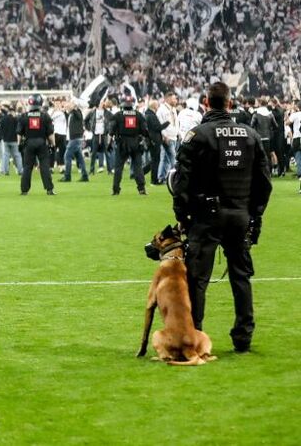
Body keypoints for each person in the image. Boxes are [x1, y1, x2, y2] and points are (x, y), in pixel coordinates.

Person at [170, 81, 272, 353]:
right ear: (230, 103)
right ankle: (243, 337)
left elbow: (181, 182)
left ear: (206, 103)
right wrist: (255, 217)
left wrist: (183, 215)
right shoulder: (249, 135)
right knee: (241, 276)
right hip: (240, 214)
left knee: (197, 279)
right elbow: (264, 182)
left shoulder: (198, 135)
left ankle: (194, 337)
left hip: (206, 216)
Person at [109, 94, 149, 196]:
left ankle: (115, 189)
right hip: (136, 143)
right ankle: (141, 189)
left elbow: (111, 131)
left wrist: (110, 142)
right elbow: (145, 131)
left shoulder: (117, 115)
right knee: (138, 167)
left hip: (122, 143)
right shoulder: (139, 115)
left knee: (118, 168)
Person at [17, 93, 55, 196]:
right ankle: (49, 189)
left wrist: (19, 144)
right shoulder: (45, 116)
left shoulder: (24, 116)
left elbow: (19, 133)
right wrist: (53, 144)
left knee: (27, 167)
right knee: (44, 166)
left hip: (29, 143)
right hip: (42, 143)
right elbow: (50, 133)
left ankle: (24, 190)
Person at [60, 99, 88, 183]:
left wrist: (72, 107)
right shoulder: (72, 114)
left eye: (70, 104)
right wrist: (65, 110)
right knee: (80, 158)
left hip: (75, 138)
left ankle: (67, 176)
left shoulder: (77, 112)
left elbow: (78, 116)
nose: (68, 105)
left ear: (75, 105)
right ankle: (85, 175)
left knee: (67, 156)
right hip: (74, 138)